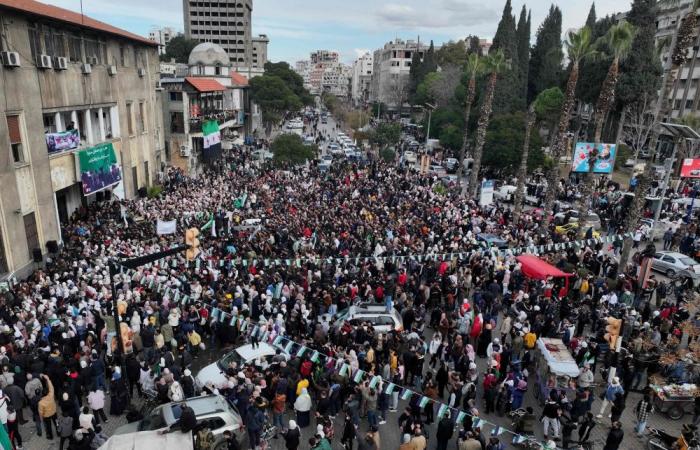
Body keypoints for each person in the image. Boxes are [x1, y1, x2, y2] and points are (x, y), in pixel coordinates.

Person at [38, 374, 57, 440]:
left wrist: (41, 419)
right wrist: (48, 379)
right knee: (56, 422)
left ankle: (50, 436)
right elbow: (51, 387)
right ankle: (59, 432)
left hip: (47, 415)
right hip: (54, 412)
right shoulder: (51, 395)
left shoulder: (41, 403)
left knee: (48, 426)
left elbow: (40, 412)